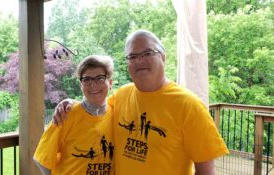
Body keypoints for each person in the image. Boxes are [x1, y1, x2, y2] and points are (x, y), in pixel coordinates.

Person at [53, 29, 229, 175]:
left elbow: (206, 171)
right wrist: (71, 102)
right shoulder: (122, 95)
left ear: (163, 57)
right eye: (132, 56)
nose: (139, 61)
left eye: (147, 53)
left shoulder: (190, 105)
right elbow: (95, 105)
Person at [33, 55, 115, 175]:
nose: (93, 84)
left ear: (110, 83)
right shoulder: (65, 114)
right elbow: (41, 158)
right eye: (87, 79)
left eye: (100, 78)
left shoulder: (116, 114)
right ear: (81, 85)